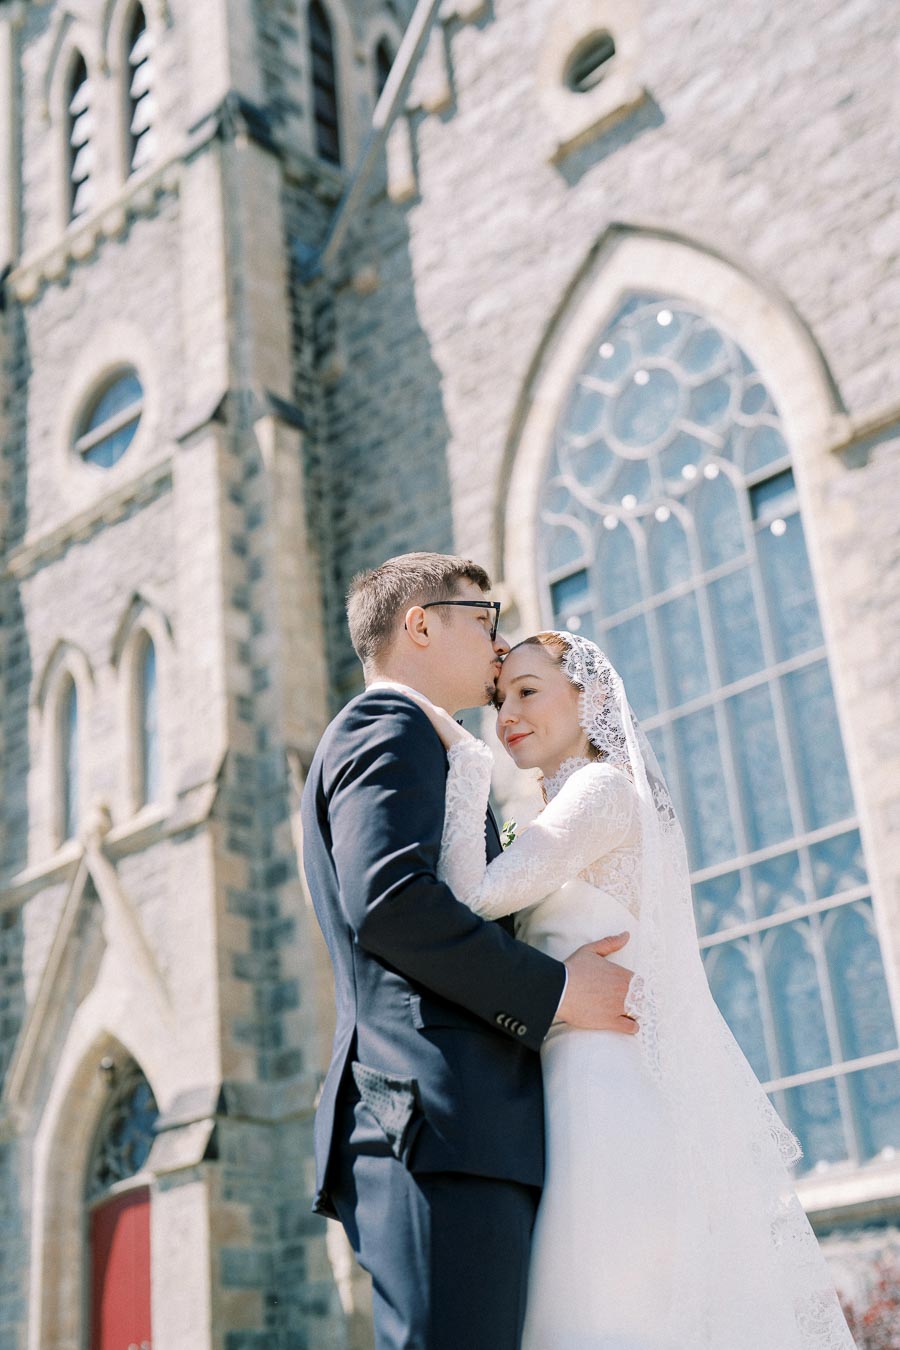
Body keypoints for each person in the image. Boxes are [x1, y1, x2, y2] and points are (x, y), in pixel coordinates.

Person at [405, 628, 856, 1350]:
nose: (506, 715)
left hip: (599, 1088)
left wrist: (462, 763)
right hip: (565, 1077)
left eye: (528, 691)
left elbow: (477, 894)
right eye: (498, 699)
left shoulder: (602, 790)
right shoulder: (566, 808)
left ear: (592, 700)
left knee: (597, 1303)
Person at [300, 555, 637, 1350]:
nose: (498, 645)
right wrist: (558, 992)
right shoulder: (387, 723)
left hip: (463, 1126)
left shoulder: (434, 747)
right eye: (482, 618)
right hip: (433, 1119)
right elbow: (391, 902)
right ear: (419, 623)